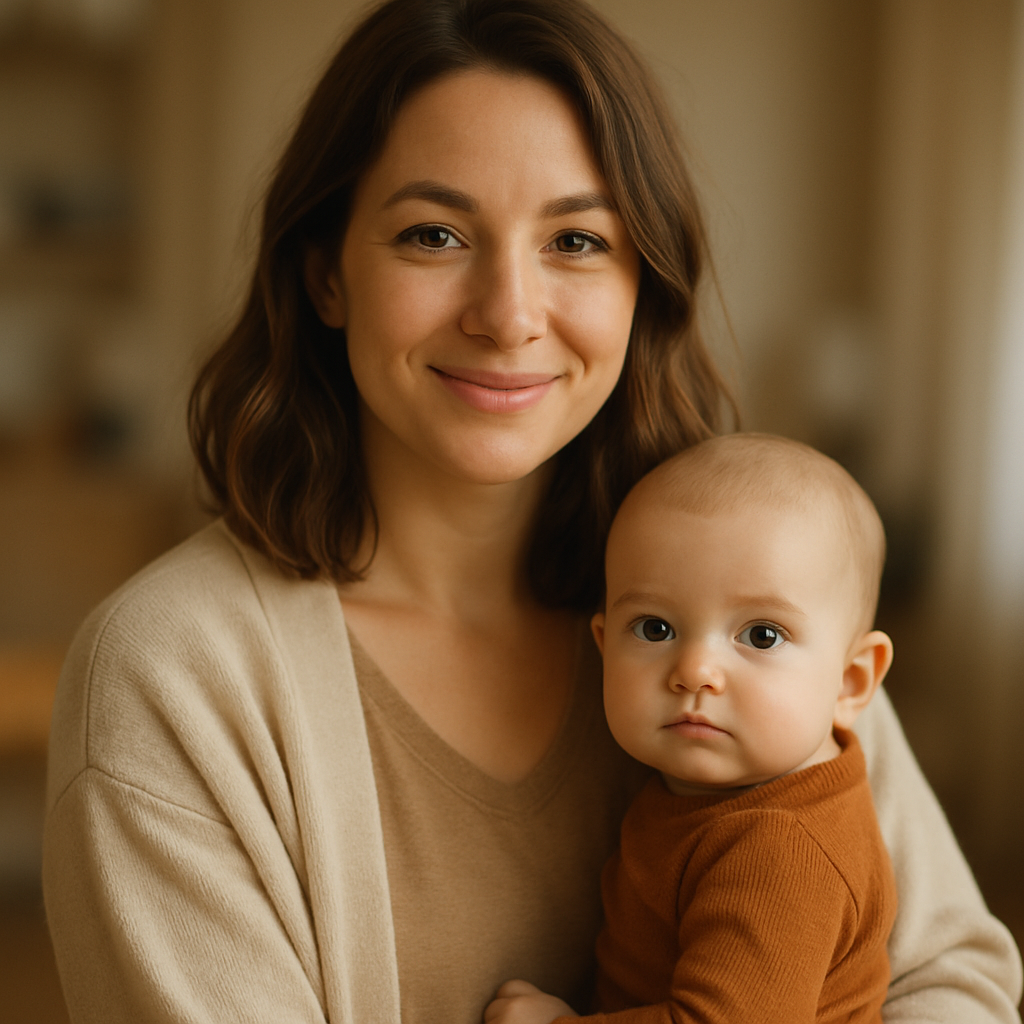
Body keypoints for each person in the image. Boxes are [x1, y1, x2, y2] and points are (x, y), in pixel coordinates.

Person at [40, 2, 1022, 1023]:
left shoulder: (742, 591)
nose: (508, 315)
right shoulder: (171, 678)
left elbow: (947, 977)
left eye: (576, 240)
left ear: (642, 282)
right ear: (327, 272)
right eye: (433, 235)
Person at [485, 434, 899, 1024]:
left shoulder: (784, 850)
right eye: (654, 628)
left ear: (851, 682)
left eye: (761, 635)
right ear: (603, 647)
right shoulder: (726, 794)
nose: (695, 671)